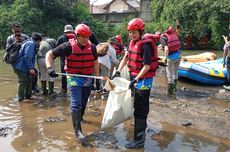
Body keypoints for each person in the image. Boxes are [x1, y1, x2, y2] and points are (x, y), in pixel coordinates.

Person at [45, 24, 99, 144]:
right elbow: (49, 54)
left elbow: (95, 62)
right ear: (77, 36)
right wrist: (49, 68)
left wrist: (97, 79)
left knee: (84, 101)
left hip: (87, 77)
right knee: (76, 103)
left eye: (87, 37)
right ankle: (78, 132)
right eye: (83, 37)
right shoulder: (68, 46)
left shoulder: (93, 47)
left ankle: (80, 118)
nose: (85, 39)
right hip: (73, 76)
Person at [112, 18, 158, 149]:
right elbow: (126, 58)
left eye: (134, 32)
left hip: (143, 80)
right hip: (136, 78)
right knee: (137, 105)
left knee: (141, 109)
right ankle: (140, 130)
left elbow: (147, 66)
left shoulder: (146, 45)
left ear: (140, 31)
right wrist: (118, 71)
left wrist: (136, 79)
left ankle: (138, 141)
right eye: (130, 32)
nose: (132, 35)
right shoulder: (132, 42)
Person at [13, 32, 42, 102]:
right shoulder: (31, 44)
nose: (39, 44)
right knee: (22, 82)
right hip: (21, 66)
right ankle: (20, 99)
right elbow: (27, 56)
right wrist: (31, 68)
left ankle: (28, 95)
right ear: (38, 40)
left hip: (23, 66)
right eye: (39, 42)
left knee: (29, 79)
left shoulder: (29, 42)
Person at [160, 22, 181, 95]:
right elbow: (178, 30)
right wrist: (178, 24)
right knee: (175, 72)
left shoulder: (163, 37)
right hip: (178, 57)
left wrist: (165, 59)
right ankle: (175, 88)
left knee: (170, 74)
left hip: (171, 58)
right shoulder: (174, 34)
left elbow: (166, 49)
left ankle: (170, 92)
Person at [56, 25, 76, 96]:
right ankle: (64, 89)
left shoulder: (76, 38)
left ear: (73, 32)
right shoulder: (61, 39)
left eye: (70, 32)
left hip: (74, 59)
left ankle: (74, 88)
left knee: (74, 74)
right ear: (64, 33)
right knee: (64, 75)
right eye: (67, 32)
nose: (68, 33)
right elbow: (56, 49)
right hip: (63, 59)